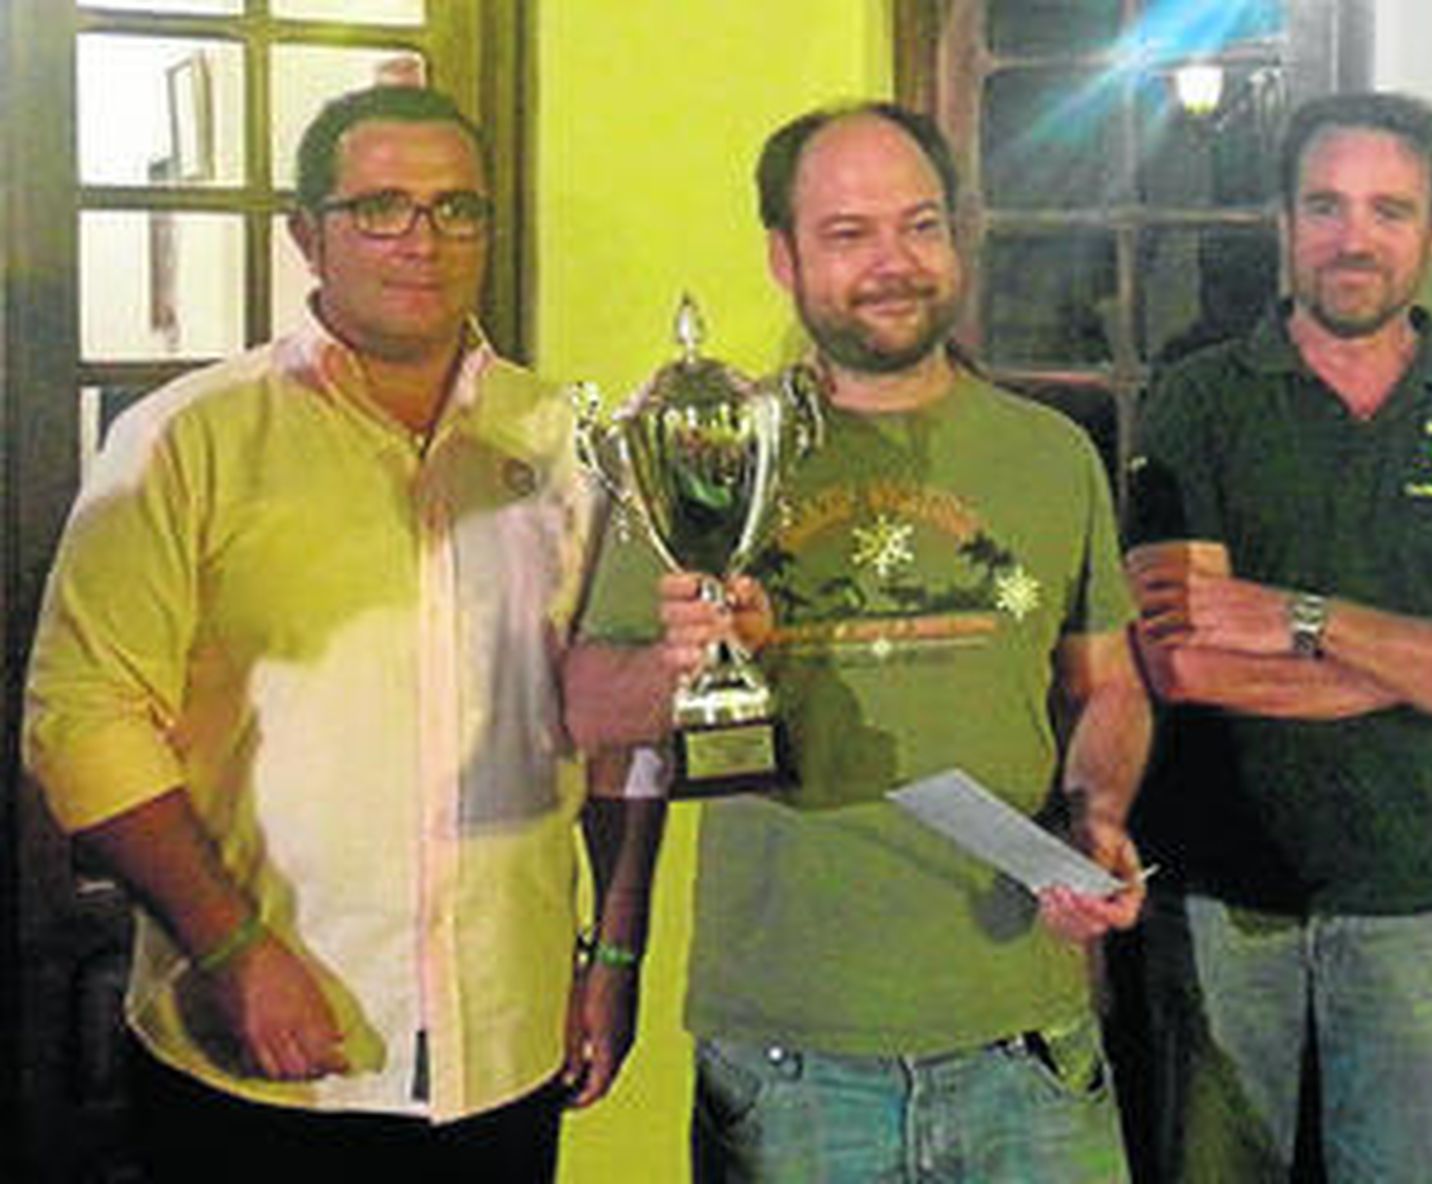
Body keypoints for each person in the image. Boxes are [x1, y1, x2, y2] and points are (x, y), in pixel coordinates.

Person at [23, 83, 663, 1183]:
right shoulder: (185, 442)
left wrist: (613, 950)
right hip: (255, 1046)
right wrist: (227, 945)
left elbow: (618, 732)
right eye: (380, 208)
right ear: (306, 234)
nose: (422, 240)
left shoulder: (570, 445)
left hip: (500, 1048)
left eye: (455, 209)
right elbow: (83, 720)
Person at [566, 101, 1153, 1181]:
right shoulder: (702, 445)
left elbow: (1106, 687)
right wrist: (678, 661)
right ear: (782, 257)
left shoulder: (1052, 452)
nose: (894, 262)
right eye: (849, 234)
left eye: (919, 225)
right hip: (788, 1060)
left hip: (1026, 1038)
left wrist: (1096, 815)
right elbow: (589, 710)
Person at [1123, 91, 1432, 1182]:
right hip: (1220, 897)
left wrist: (1302, 617)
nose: (1352, 238)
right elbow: (1183, 658)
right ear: (1284, 223)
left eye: (1389, 210)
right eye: (1324, 206)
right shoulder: (1199, 401)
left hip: (1428, 903)